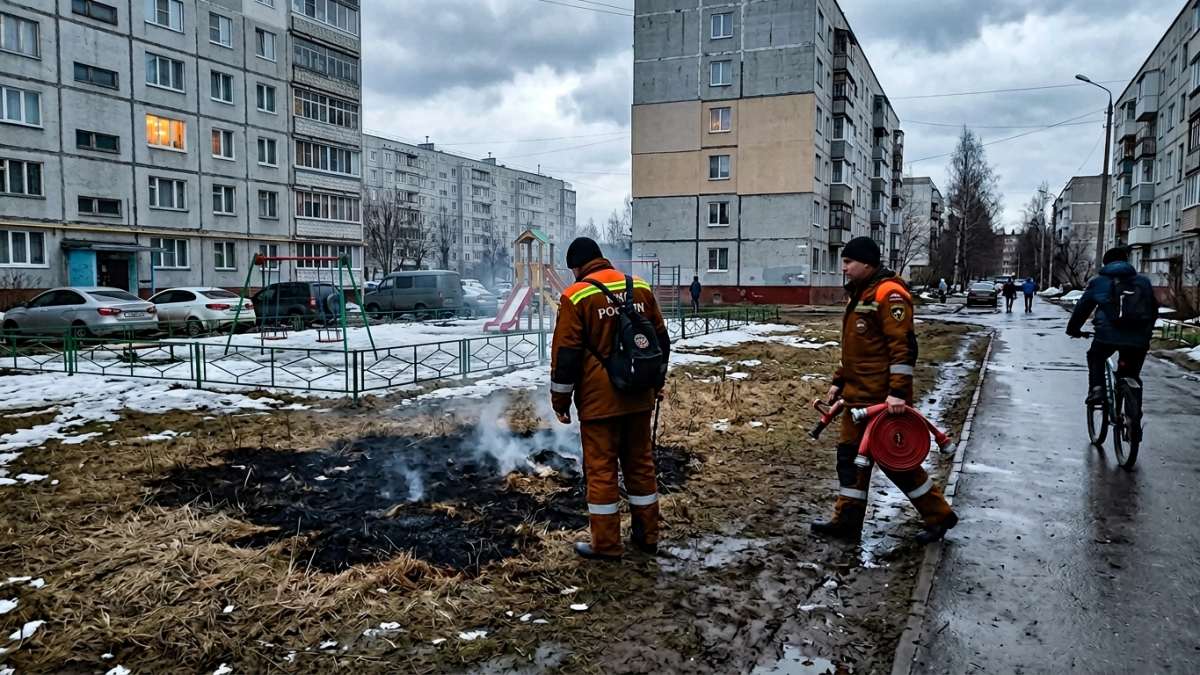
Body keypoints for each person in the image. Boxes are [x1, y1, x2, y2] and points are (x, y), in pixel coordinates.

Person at [811, 237, 958, 545]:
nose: (844, 268)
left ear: (867, 263)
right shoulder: (861, 294)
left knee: (897, 463)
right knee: (849, 460)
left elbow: (902, 349)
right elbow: (858, 350)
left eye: (849, 262)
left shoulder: (889, 294)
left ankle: (939, 515)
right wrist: (839, 380)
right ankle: (846, 522)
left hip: (881, 401)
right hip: (856, 399)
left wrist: (898, 394)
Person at [550, 237, 672, 561]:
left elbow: (566, 356)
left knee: (602, 471)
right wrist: (656, 382)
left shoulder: (576, 296)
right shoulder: (640, 288)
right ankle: (648, 537)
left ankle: (606, 545)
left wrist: (560, 403)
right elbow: (660, 339)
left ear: (576, 267)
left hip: (599, 402)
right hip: (639, 395)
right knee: (641, 466)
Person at [1066, 246, 1158, 405]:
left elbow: (1083, 308)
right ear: (1126, 261)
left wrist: (1073, 329)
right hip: (1138, 337)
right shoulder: (1143, 281)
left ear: (1105, 263)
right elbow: (1153, 309)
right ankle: (1133, 420)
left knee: (1095, 356)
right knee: (1132, 374)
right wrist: (1147, 331)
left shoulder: (1098, 282)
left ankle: (1097, 389)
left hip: (1107, 336)